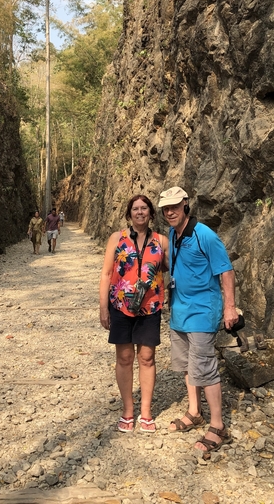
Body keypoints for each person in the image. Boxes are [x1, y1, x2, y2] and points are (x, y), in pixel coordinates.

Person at [158, 186, 239, 455]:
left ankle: (218, 426)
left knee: (204, 367)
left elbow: (226, 271)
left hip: (203, 311)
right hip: (179, 310)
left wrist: (230, 308)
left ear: (185, 205)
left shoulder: (204, 234)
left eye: (174, 206)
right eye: (165, 208)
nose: (169, 211)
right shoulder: (172, 233)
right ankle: (195, 412)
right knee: (186, 365)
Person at [99, 195, 168, 434]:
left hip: (150, 307)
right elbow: (107, 274)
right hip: (120, 306)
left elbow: (172, 269)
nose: (140, 212)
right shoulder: (117, 239)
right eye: (135, 209)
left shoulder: (161, 241)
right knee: (125, 358)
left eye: (144, 209)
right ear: (129, 214)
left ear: (150, 213)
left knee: (147, 358)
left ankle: (146, 412)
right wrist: (103, 308)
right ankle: (128, 411)